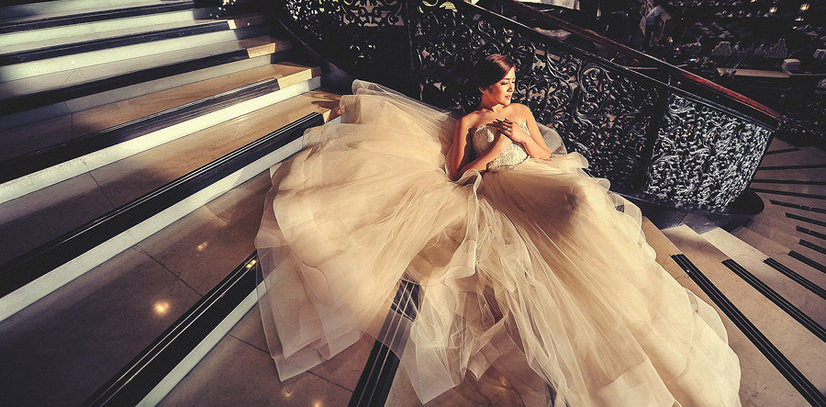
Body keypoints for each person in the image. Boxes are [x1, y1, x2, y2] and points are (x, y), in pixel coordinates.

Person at [255, 54, 742, 406]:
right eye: (504, 84)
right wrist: (494, 149)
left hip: (534, 176)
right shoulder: (469, 120)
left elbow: (545, 157)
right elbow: (458, 174)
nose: (511, 90)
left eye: (512, 83)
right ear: (485, 88)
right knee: (547, 235)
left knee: (582, 198)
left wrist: (525, 137)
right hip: (498, 189)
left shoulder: (523, 114)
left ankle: (603, 255)